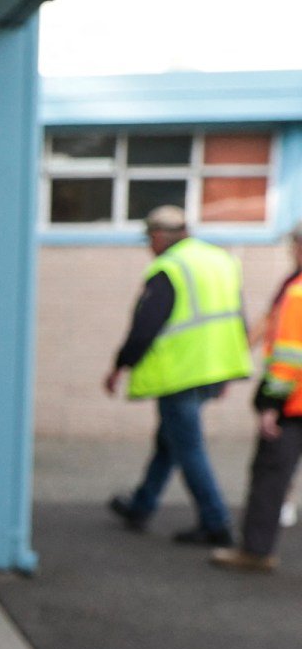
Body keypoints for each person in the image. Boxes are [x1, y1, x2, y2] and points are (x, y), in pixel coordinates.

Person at [106, 206, 252, 547]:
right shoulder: (220, 260)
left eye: (148, 239)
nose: (148, 246)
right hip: (214, 369)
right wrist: (228, 370)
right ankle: (141, 505)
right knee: (169, 442)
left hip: (182, 373)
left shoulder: (169, 268)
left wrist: (120, 365)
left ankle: (216, 522)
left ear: (158, 236)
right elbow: (237, 318)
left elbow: (144, 328)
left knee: (187, 447)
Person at [212, 230, 302, 572]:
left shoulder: (297, 292)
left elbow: (290, 359)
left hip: (293, 406)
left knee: (269, 476)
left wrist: (271, 405)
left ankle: (256, 551)